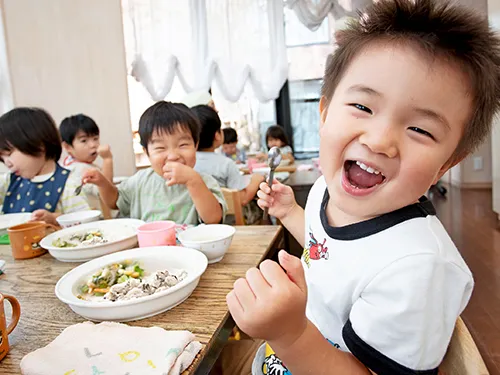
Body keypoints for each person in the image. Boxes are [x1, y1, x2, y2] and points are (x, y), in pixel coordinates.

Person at [219, 0, 500, 374]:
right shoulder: (326, 189)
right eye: (363, 107)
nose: (381, 140)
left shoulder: (417, 269)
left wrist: (290, 336)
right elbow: (330, 252)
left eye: (419, 129)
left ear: (444, 167)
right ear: (324, 114)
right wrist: (290, 213)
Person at [82, 101, 226, 224]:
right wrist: (102, 182)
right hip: (147, 252)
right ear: (147, 153)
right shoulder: (140, 181)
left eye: (183, 145)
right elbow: (114, 202)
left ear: (195, 145)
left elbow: (213, 220)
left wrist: (193, 181)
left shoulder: (204, 182)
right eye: (160, 148)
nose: (173, 156)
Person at [0, 108, 90, 225]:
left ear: (39, 144)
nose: (7, 163)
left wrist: (54, 219)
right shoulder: (10, 181)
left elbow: (86, 224)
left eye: (9, 154)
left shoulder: (69, 185)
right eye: (2, 158)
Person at [192, 105, 264, 224]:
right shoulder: (226, 164)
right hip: (228, 222)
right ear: (217, 135)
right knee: (259, 208)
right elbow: (242, 199)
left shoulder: (186, 164)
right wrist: (256, 180)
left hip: (197, 221)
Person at [59, 114, 113, 211]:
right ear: (67, 147)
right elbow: (106, 189)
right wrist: (107, 159)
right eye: (84, 141)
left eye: (95, 139)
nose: (93, 145)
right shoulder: (81, 169)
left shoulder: (67, 165)